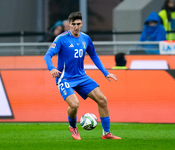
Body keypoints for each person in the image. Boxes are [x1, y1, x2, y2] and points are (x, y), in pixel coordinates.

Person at [44, 11, 121, 140]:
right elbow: (48, 55)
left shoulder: (85, 38)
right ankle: (73, 126)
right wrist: (52, 69)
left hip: (82, 77)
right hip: (65, 78)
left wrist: (106, 73)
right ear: (69, 24)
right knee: (74, 105)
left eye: (78, 24)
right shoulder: (61, 39)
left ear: (82, 24)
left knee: (102, 100)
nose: (75, 26)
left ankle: (106, 133)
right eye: (73, 24)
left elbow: (93, 55)